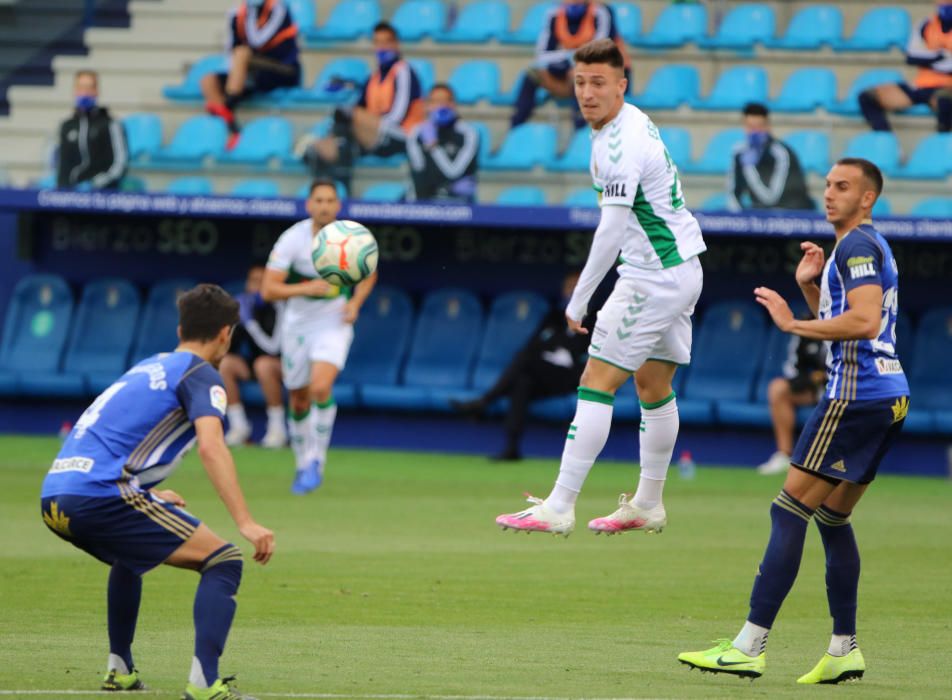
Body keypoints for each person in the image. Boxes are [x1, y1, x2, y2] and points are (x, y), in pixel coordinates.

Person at [678, 158, 909, 685]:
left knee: (788, 511)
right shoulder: (864, 246)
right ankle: (843, 649)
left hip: (856, 395)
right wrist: (812, 288)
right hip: (889, 394)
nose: (830, 194)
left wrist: (791, 321)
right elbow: (859, 320)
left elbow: (865, 321)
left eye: (843, 187)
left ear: (867, 198)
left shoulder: (856, 245)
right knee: (831, 518)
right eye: (827, 185)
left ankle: (748, 646)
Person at [495, 39, 706, 537]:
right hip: (682, 267)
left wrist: (580, 296)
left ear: (621, 86)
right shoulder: (627, 120)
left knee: (595, 380)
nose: (587, 93)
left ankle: (559, 505)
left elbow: (611, 230)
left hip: (652, 275)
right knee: (653, 386)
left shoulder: (617, 145)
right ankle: (648, 503)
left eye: (598, 83)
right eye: (581, 83)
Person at [40, 283, 274, 700]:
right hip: (98, 494)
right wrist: (245, 520)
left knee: (129, 557)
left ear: (181, 327)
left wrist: (144, 494)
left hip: (56, 494)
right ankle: (205, 687)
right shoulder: (201, 374)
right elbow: (211, 445)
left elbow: (110, 436)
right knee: (223, 559)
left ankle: (120, 670)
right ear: (226, 333)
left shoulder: (150, 366)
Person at [261, 179, 378, 494]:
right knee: (298, 396)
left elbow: (370, 271)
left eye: (330, 200)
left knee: (321, 386)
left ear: (338, 206)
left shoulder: (350, 236)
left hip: (333, 321)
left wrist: (354, 303)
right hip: (297, 323)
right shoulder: (292, 239)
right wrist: (304, 288)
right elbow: (268, 289)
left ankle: (317, 461)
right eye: (319, 200)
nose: (325, 206)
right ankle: (302, 463)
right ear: (309, 204)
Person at [451, 272, 589, 461]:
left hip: (572, 377)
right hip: (545, 374)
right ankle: (512, 448)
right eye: (569, 288)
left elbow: (578, 350)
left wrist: (555, 346)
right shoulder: (554, 315)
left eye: (577, 287)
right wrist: (553, 346)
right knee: (521, 383)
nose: (572, 292)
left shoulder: (595, 317)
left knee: (525, 360)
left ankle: (484, 402)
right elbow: (534, 344)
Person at [300, 21, 424, 191]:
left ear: (396, 44)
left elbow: (398, 115)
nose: (382, 47)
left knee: (347, 115)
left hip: (400, 136)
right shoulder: (373, 77)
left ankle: (343, 179)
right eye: (377, 42)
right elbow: (360, 107)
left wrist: (367, 123)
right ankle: (337, 189)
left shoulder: (404, 71)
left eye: (386, 42)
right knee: (317, 149)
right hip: (372, 136)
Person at [512, 1, 630, 128]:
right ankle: (515, 128)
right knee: (532, 74)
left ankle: (582, 132)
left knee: (579, 75)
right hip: (570, 73)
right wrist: (567, 60)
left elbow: (600, 53)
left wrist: (570, 59)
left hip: (609, 76)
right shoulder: (554, 14)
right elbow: (542, 55)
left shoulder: (602, 12)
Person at [201, 0, 301, 147]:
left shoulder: (278, 9)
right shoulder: (238, 13)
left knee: (242, 54)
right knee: (208, 80)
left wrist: (245, 17)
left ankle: (228, 106)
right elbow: (230, 50)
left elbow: (257, 41)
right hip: (251, 73)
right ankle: (232, 128)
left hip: (282, 70)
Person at [220, 265, 287, 448]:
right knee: (225, 364)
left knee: (263, 364)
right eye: (252, 281)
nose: (255, 286)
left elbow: (273, 348)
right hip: (257, 362)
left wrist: (250, 323)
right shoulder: (247, 305)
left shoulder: (281, 305)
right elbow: (228, 349)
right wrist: (232, 323)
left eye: (261, 281)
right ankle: (239, 426)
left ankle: (277, 428)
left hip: (286, 365)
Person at [858, 2, 952, 133]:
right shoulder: (926, 24)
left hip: (947, 88)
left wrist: (931, 58)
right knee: (867, 97)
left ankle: (941, 148)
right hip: (921, 85)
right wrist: (942, 56)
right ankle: (890, 146)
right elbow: (911, 56)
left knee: (945, 103)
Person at [757, 318, 827, 475]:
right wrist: (812, 380)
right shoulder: (805, 324)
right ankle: (784, 454)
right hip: (814, 389)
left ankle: (838, 462)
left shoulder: (847, 319)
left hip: (844, 386)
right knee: (778, 389)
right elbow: (793, 370)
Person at [727, 103, 814, 212]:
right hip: (760, 215)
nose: (754, 132)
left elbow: (770, 199)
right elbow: (733, 194)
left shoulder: (781, 153)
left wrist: (749, 168)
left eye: (759, 126)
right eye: (750, 127)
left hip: (791, 214)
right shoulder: (739, 153)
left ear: (768, 127)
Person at [406, 84, 480, 202]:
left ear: (453, 104)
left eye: (445, 101)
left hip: (455, 203)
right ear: (428, 106)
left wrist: (433, 147)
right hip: (424, 199)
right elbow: (418, 172)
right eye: (436, 102)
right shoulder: (417, 133)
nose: (441, 106)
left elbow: (453, 173)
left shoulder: (468, 133)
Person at [56, 70, 128, 190]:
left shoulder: (110, 124)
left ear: (96, 91)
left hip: (101, 194)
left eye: (89, 88)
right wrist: (63, 188)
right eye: (81, 87)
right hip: (69, 194)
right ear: (75, 90)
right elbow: (62, 164)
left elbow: (120, 164)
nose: (84, 92)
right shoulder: (67, 126)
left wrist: (94, 185)